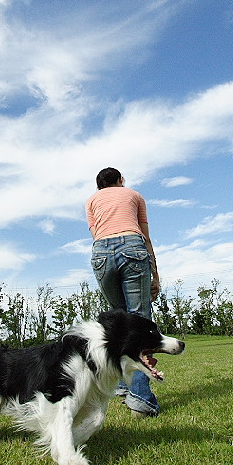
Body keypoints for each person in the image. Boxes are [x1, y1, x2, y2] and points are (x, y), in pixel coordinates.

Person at [85, 167, 161, 417]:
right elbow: (145, 238)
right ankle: (140, 399)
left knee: (118, 320)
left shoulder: (91, 202)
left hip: (101, 253)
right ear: (120, 180)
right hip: (132, 247)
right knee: (139, 321)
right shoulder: (135, 196)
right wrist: (156, 274)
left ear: (99, 185)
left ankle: (121, 384)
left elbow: (98, 235)